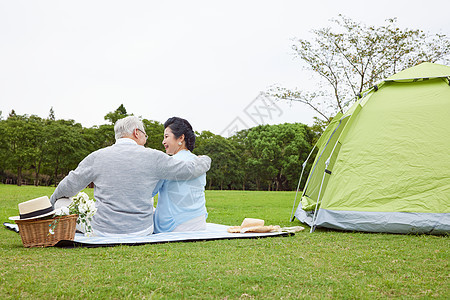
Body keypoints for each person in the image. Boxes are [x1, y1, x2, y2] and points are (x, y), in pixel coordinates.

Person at [49, 116, 211, 236]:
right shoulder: (154, 157)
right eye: (145, 135)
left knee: (62, 203)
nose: (146, 140)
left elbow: (68, 186)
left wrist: (50, 204)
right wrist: (205, 160)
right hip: (142, 230)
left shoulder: (97, 157)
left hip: (102, 230)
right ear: (136, 133)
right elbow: (188, 170)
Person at [152, 117, 208, 233]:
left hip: (173, 226)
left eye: (166, 136)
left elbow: (151, 191)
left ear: (181, 138)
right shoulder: (199, 162)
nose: (163, 141)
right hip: (199, 222)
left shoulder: (168, 164)